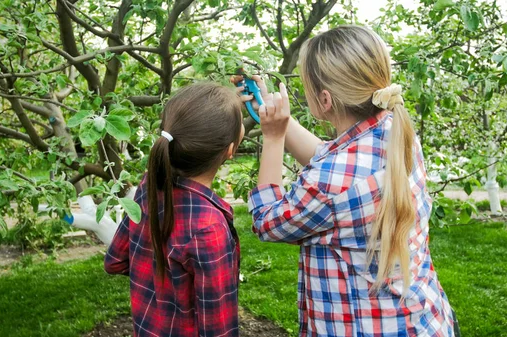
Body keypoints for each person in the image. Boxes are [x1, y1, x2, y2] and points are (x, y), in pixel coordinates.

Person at [247, 26, 456, 336]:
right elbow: (328, 157)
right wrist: (272, 110)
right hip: (421, 320)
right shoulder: (395, 131)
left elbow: (268, 221)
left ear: (325, 99)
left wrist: (274, 137)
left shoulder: (332, 178)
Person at [105, 82, 246, 337]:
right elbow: (219, 330)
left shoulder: (150, 188)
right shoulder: (208, 228)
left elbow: (115, 261)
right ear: (230, 150)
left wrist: (162, 284)